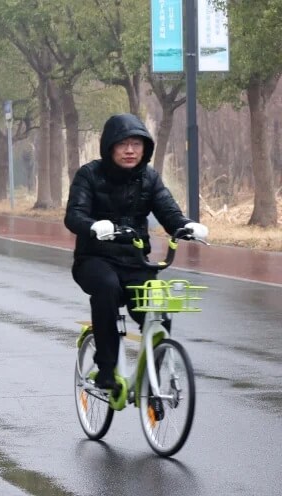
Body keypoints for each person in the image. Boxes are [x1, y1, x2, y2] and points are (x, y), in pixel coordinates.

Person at [64, 113, 209, 389]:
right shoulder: (89, 175)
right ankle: (106, 370)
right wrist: (94, 226)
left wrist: (189, 226)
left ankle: (150, 378)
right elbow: (74, 216)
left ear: (145, 148)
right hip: (94, 260)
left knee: (158, 311)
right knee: (107, 289)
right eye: (123, 144)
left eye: (136, 144)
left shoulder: (149, 178)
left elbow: (169, 213)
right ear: (110, 147)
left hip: (135, 261)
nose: (130, 150)